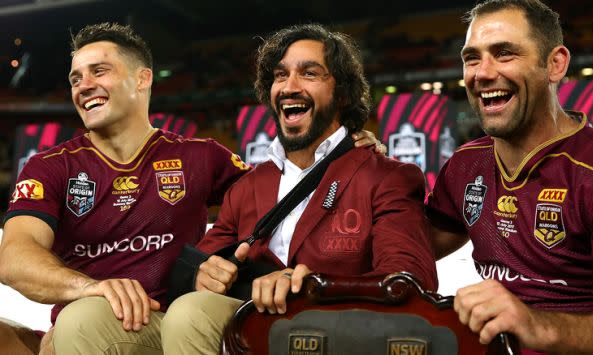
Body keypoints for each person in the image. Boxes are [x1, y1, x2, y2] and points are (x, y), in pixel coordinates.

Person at [0, 22, 385, 354]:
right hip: (92, 328)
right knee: (77, 320)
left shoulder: (201, 157)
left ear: (142, 78)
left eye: (98, 71)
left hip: (181, 321)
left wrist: (341, 153)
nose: (84, 85)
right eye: (75, 78)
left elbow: (283, 201)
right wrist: (89, 289)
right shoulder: (51, 166)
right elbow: (15, 256)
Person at [162, 23, 438, 353]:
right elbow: (196, 265)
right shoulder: (247, 186)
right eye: (280, 75)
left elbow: (408, 282)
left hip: (341, 335)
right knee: (189, 313)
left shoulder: (387, 177)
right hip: (254, 333)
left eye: (309, 73)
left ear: (343, 94)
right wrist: (202, 275)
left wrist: (313, 288)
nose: (289, 86)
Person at [425, 0, 593, 353]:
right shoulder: (465, 165)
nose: (482, 72)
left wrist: (534, 323)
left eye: (505, 53)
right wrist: (365, 167)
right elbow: (402, 251)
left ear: (555, 64)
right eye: (472, 58)